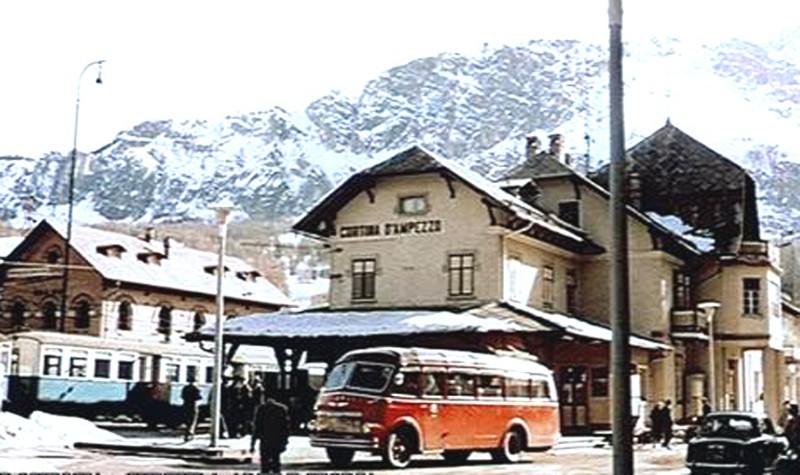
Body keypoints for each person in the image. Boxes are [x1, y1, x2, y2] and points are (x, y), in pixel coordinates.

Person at [250, 394, 290, 474]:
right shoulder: (282, 409)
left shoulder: (261, 409)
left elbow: (257, 426)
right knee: (276, 460)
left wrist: (252, 444)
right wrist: (285, 441)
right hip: (276, 439)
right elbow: (285, 427)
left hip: (265, 440)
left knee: (264, 462)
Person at [181, 377, 202, 441]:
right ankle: (190, 433)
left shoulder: (185, 388)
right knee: (193, 421)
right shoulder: (196, 389)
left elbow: (182, 396)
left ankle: (187, 433)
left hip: (186, 405)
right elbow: (198, 397)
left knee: (187, 420)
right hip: (193, 406)